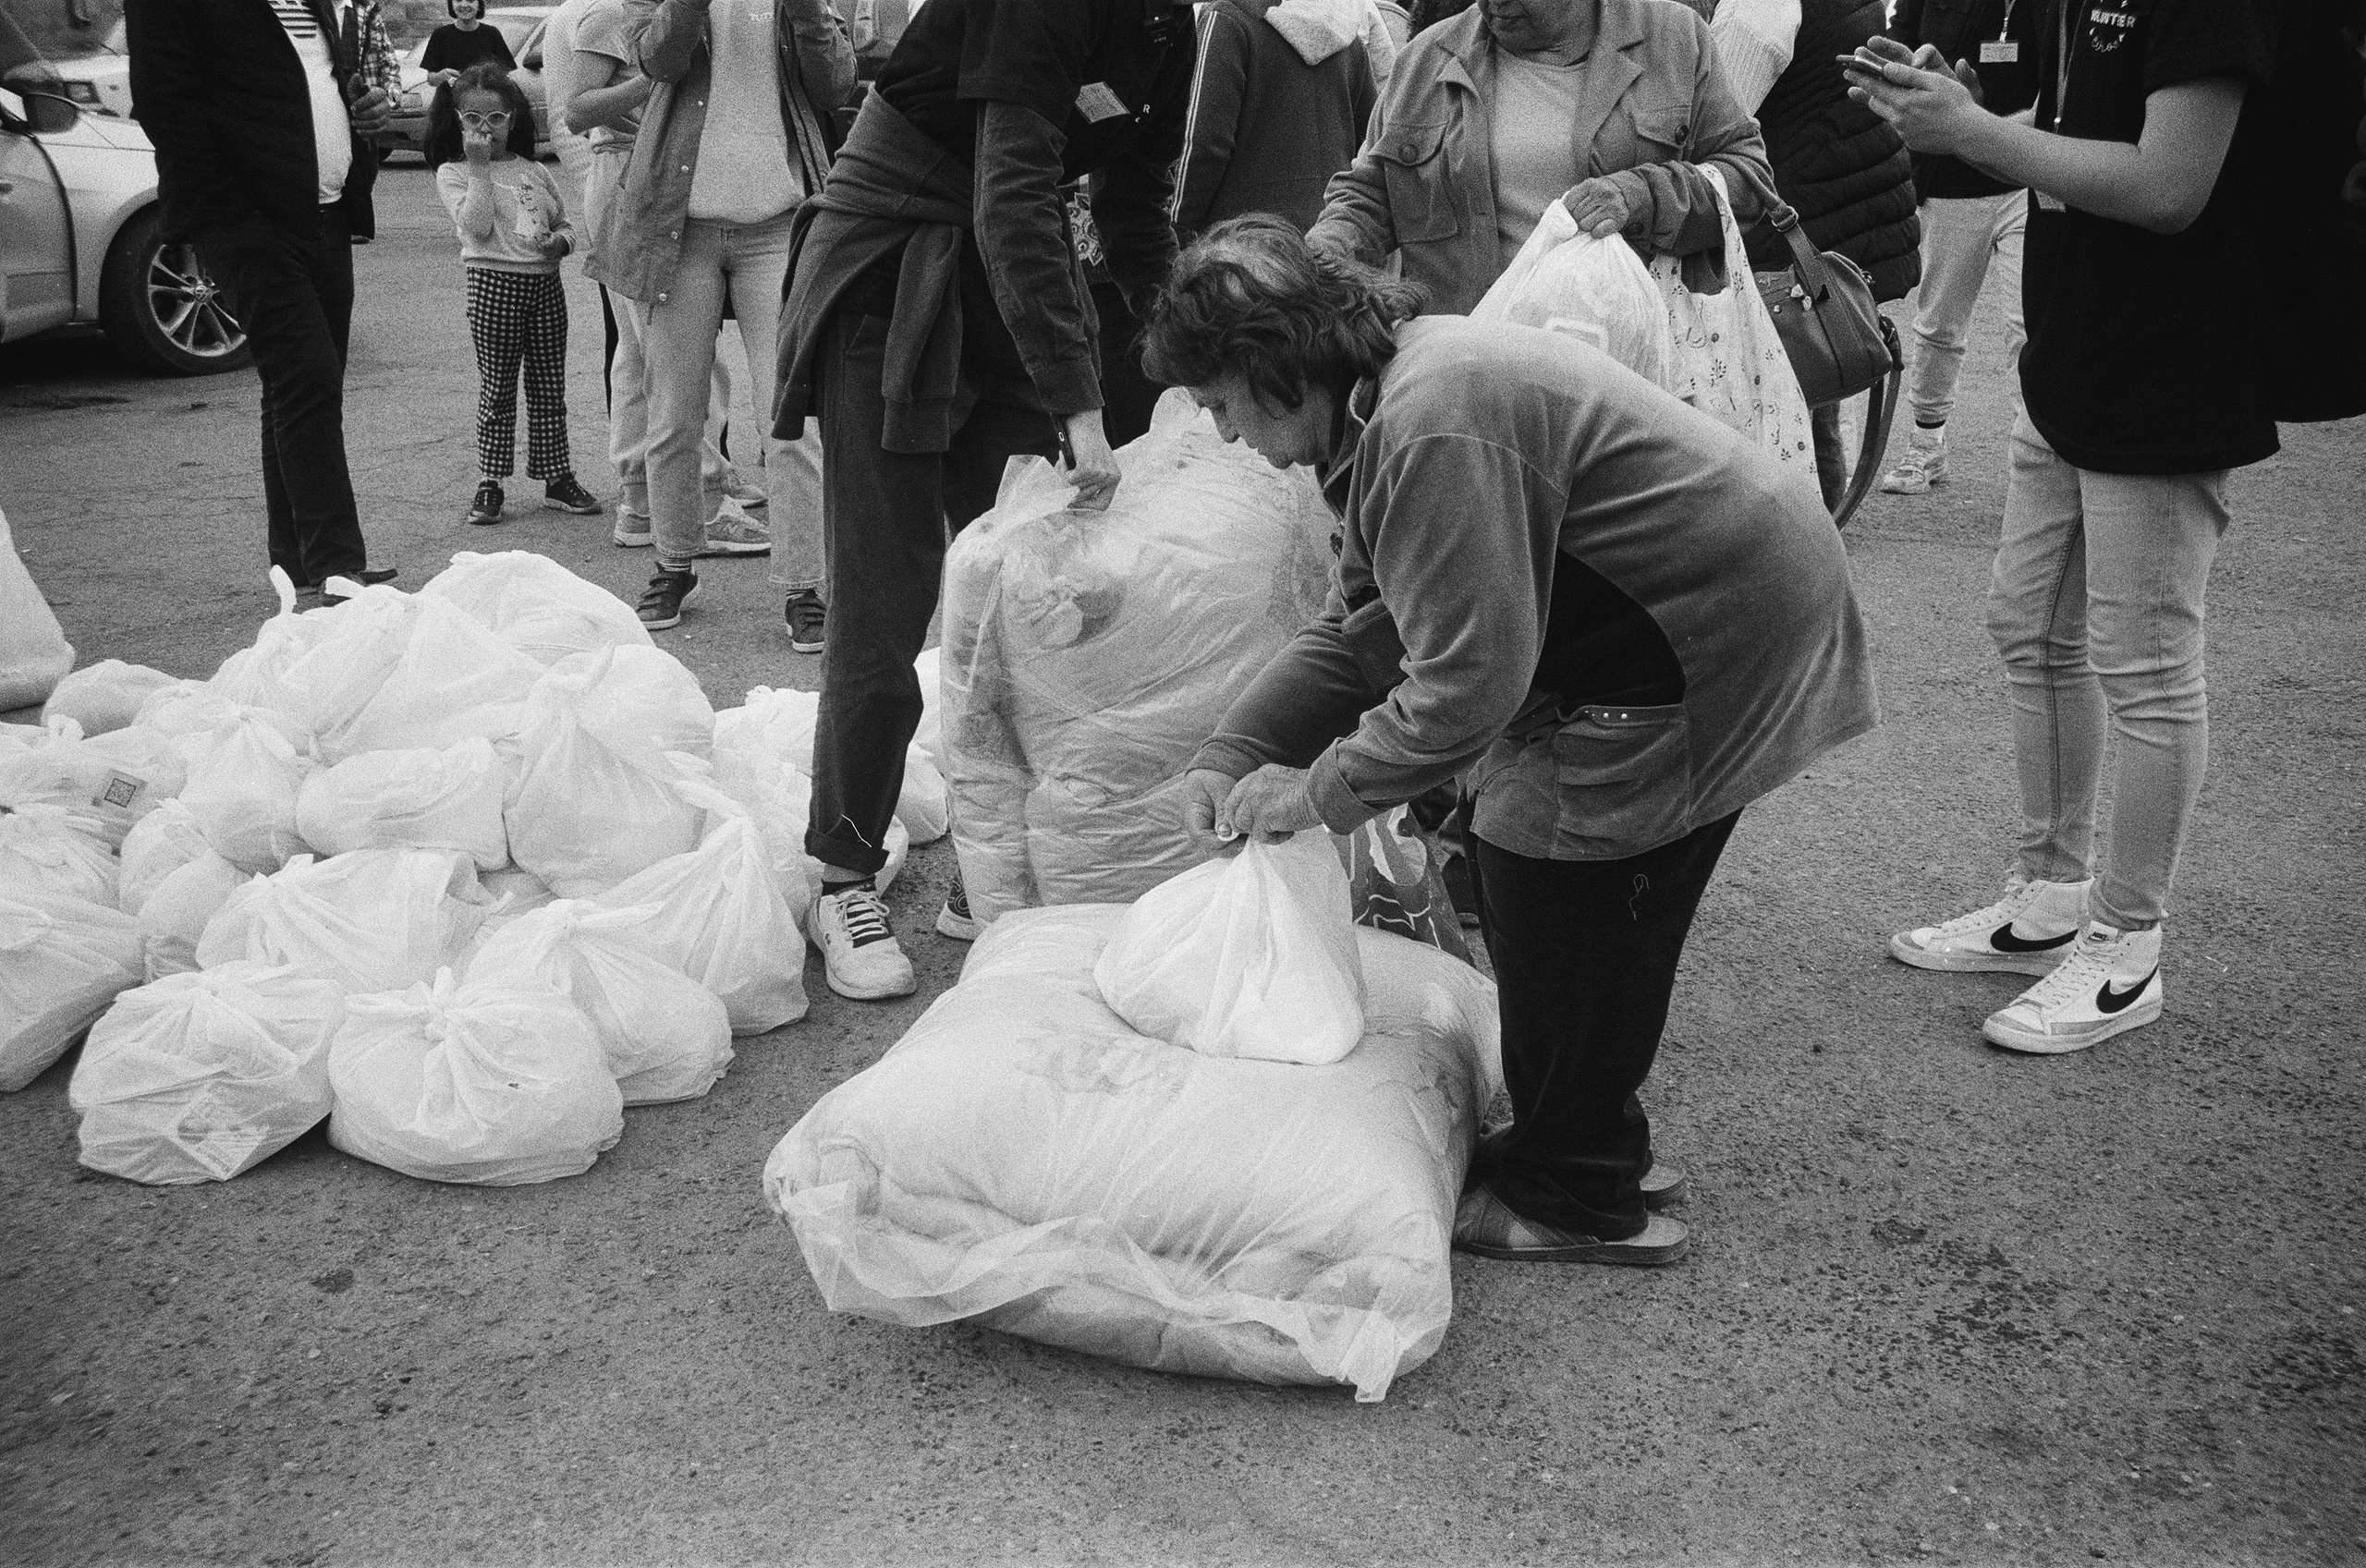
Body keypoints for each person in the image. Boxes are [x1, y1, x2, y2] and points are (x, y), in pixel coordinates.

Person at [1151, 217, 1876, 1264]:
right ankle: (1584, 1139)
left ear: (1275, 367)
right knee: (1544, 869)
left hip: (1710, 631)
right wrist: (1227, 752)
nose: (1224, 434)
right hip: (1673, 612)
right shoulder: (1382, 404)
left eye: (1220, 404)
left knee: (1558, 872)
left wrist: (1317, 791)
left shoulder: (1433, 422)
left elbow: (1466, 687)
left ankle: (1577, 1191)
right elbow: (1362, 628)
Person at [1849, 6, 2287, 1053]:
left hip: (2170, 363)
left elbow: (2168, 186)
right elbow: (2069, 134)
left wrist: (1973, 131)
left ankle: (2126, 947)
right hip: (2070, 350)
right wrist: (1963, 105)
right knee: (2031, 628)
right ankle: (2049, 894)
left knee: (2143, 658)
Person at [773, 0, 1197, 1001]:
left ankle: (987, 855)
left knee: (1021, 587)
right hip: (895, 273)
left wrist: (1186, 360)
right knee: (887, 595)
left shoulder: (1165, 27)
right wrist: (1078, 405)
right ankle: (843, 871)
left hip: (1001, 280)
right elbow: (1011, 191)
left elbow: (1135, 210)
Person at [126, 0, 402, 602]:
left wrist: (362, 113)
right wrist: (231, 210)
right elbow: (162, 102)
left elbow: (311, 76)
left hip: (326, 213)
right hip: (249, 221)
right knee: (308, 374)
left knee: (294, 384)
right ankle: (336, 567)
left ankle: (298, 562)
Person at [593, 0, 853, 634]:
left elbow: (835, 83)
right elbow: (659, 58)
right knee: (675, 412)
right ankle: (674, 564)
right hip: (680, 229)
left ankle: (803, 588)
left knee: (790, 418)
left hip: (778, 226)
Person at [1309, 0, 1770, 315]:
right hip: (1472, 374)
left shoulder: (1676, 40)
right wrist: (1323, 253)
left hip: (1639, 378)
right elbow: (1369, 195)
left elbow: (1749, 181)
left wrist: (1641, 197)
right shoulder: (1425, 61)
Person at [564, 0, 766, 555]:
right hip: (634, 173)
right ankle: (698, 495)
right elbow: (576, 110)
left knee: (641, 355)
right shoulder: (611, 17)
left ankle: (641, 500)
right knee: (673, 357)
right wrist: (654, 87)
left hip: (656, 174)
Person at [1723, 0, 1920, 511]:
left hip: (1792, 227)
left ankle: (1804, 539)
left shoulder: (1755, 13)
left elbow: (1715, 129)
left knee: (1779, 407)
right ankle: (1823, 528)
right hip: (1837, 221)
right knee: (1819, 395)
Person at [1874, 0, 2038, 496]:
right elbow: (1900, 49)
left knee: (2027, 326)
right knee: (1939, 324)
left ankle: (2034, 460)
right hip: (1950, 180)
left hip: (2027, 176)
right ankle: (1927, 445)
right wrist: (1907, 75)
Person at [431, 66, 602, 529]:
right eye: (473, 119)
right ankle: (491, 480)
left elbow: (567, 225)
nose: (485, 129)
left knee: (549, 386)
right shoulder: (454, 173)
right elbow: (476, 226)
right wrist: (481, 168)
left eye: (496, 119)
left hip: (544, 285)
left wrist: (560, 244)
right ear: (457, 120)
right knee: (498, 388)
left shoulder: (534, 171)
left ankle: (555, 476)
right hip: (492, 284)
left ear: (513, 119)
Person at [1172, 0, 1380, 244]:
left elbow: (1204, 144)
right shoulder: (1347, 30)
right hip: (1329, 239)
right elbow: (1372, 144)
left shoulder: (1228, 18)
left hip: (1242, 250)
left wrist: (1176, 226)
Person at [422, 0, 516, 87]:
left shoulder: (492, 34)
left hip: (482, 101)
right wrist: (441, 76)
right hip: (448, 101)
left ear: (479, 5)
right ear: (451, 5)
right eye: (458, 0)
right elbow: (431, 79)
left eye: (470, 0)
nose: (464, 5)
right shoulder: (440, 35)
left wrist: (486, 78)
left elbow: (507, 72)